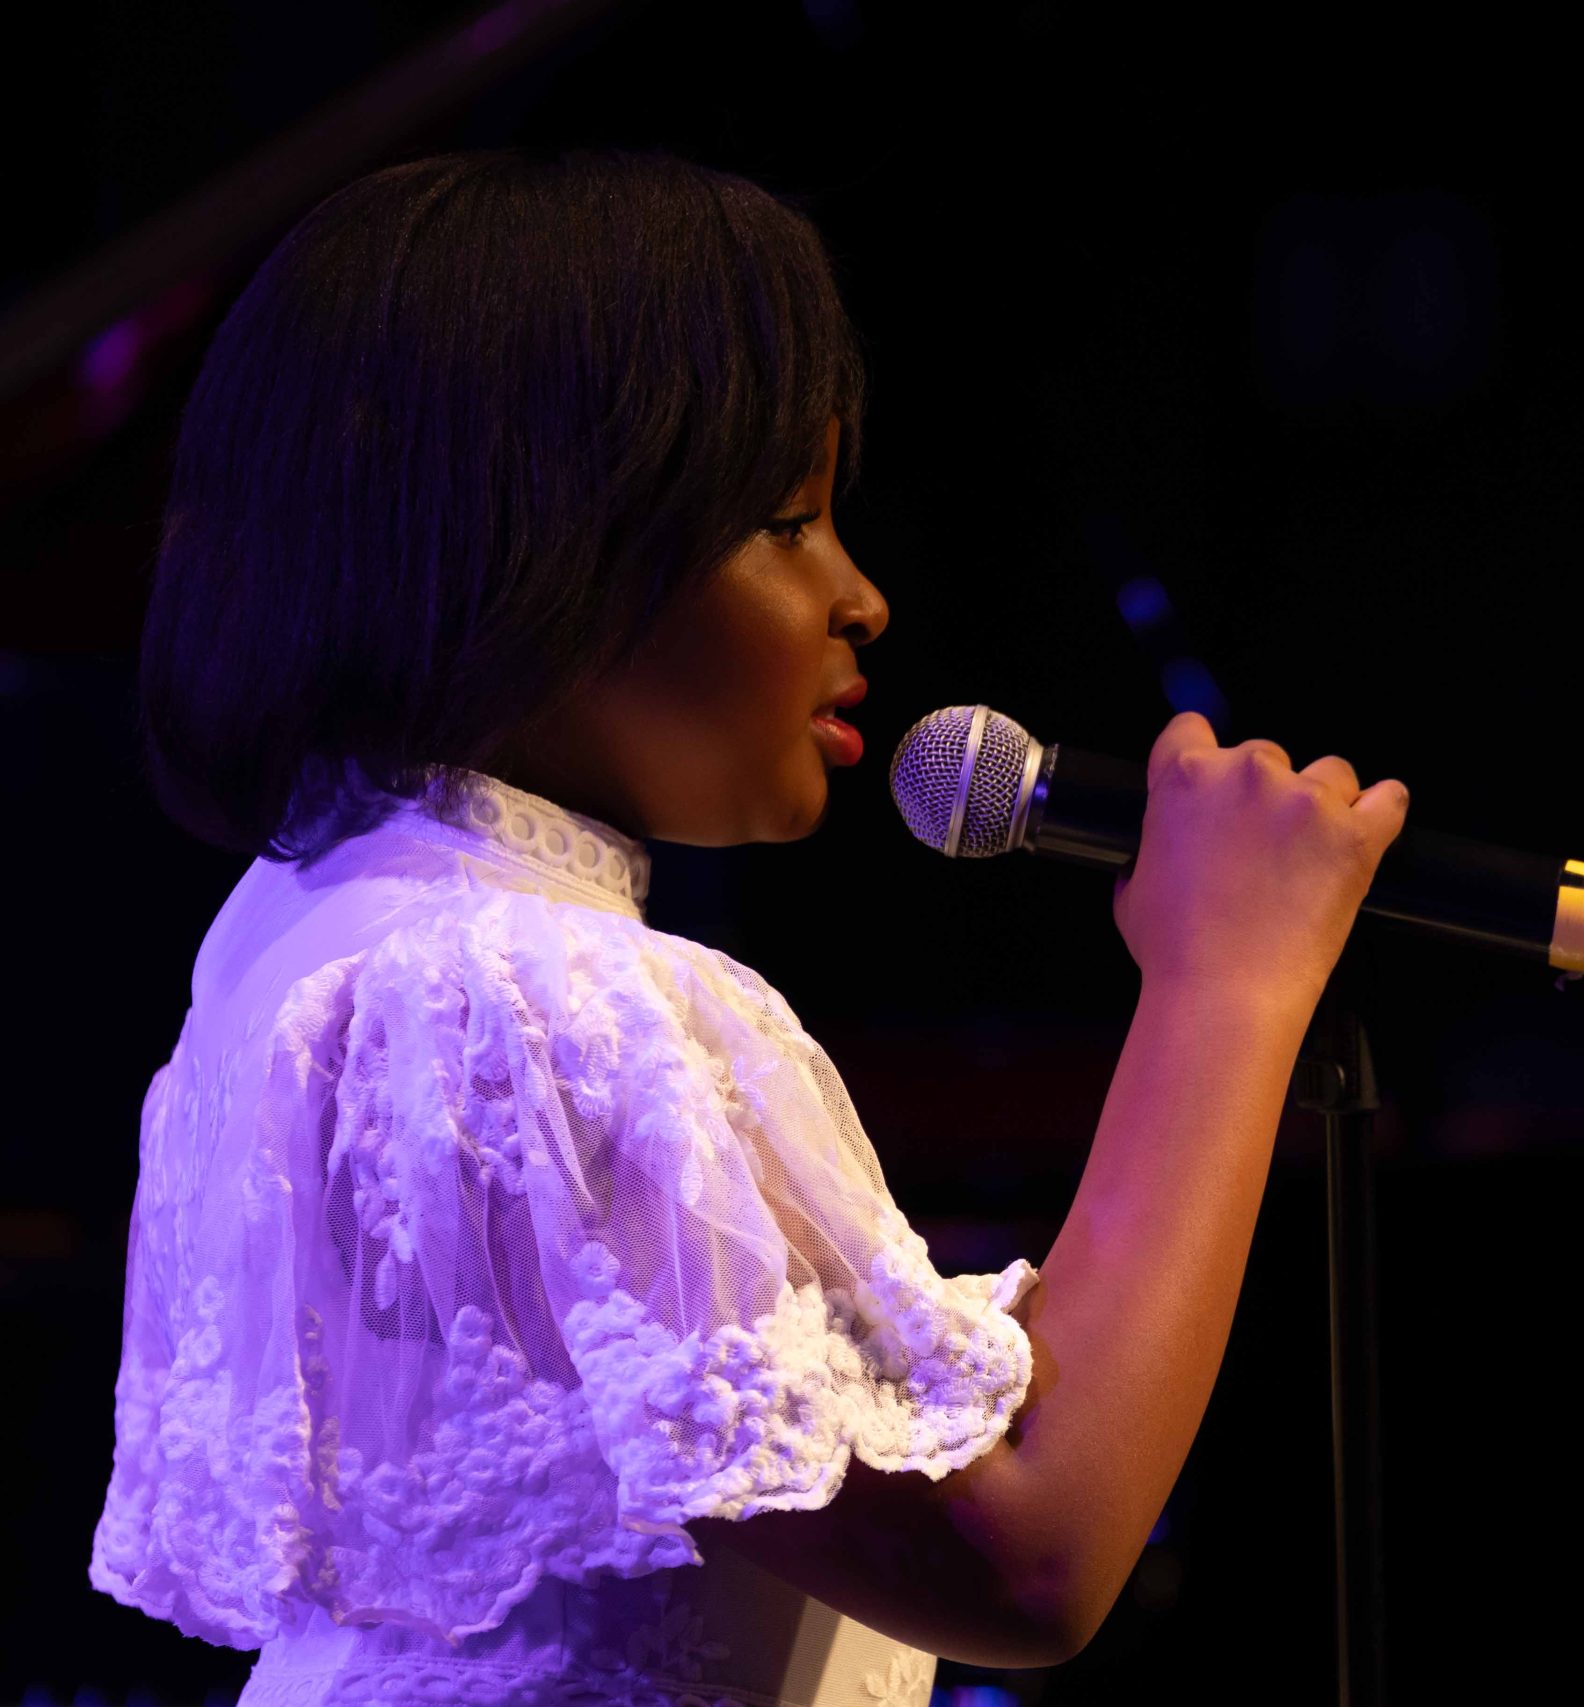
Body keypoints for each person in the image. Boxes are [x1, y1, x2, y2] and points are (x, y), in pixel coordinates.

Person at [91, 146, 1408, 1706]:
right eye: (789, 522)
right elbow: (1027, 1557)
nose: (863, 599)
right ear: (543, 553)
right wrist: (1225, 984)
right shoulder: (529, 990)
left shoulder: (308, 934)